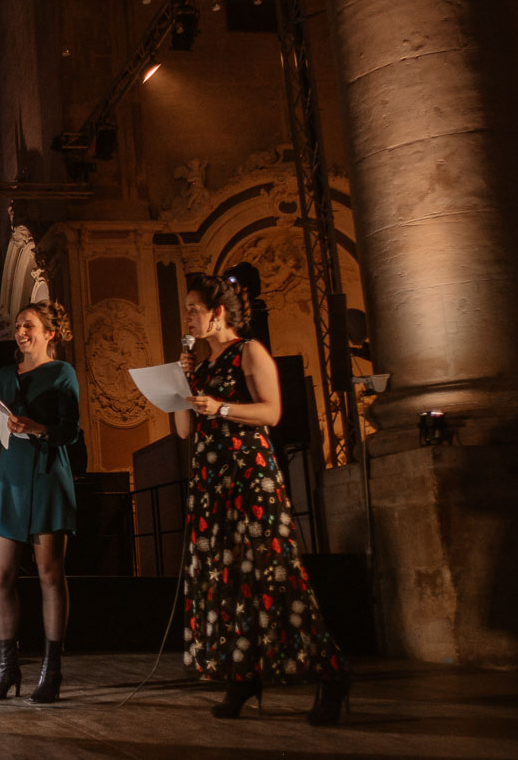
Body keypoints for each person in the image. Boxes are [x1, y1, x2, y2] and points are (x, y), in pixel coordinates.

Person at [173, 275, 350, 724]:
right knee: (227, 578)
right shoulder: (203, 364)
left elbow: (272, 412)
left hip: (250, 477)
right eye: (188, 308)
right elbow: (182, 429)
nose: (189, 316)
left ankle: (331, 674)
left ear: (219, 311)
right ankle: (242, 674)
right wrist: (182, 380)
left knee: (273, 575)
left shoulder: (248, 351)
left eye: (195, 308)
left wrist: (222, 408)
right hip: (212, 480)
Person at [0, 301, 81, 703]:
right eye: (18, 326)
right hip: (11, 478)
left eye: (29, 326)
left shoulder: (61, 373)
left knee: (50, 575)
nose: (21, 332)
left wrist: (38, 427)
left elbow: (70, 432)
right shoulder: (1, 375)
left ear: (50, 333)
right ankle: (7, 669)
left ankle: (52, 671)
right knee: (0, 578)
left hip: (48, 476)